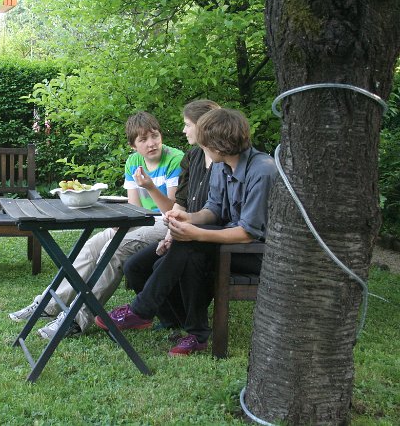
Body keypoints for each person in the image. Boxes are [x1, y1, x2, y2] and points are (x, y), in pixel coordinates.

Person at [96, 108, 277, 357]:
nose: (202, 149)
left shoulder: (262, 171)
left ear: (219, 145)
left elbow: (248, 233)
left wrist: (196, 234)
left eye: (205, 144)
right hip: (226, 239)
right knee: (144, 262)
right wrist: (188, 218)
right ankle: (192, 332)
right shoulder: (221, 165)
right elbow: (214, 209)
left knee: (188, 245)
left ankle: (142, 311)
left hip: (257, 253)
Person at [9, 111, 184, 339]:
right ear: (133, 146)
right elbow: (135, 209)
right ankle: (48, 305)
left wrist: (150, 187)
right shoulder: (134, 162)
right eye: (143, 139)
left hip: (168, 224)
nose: (151, 143)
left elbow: (171, 211)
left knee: (113, 250)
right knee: (91, 246)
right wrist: (122, 224)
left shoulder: (175, 159)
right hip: (144, 221)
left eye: (155, 136)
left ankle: (76, 318)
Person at [123, 99, 220, 329]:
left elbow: (217, 212)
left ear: (203, 125)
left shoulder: (221, 162)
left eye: (187, 124)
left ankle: (141, 311)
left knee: (156, 262)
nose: (183, 130)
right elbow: (182, 203)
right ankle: (173, 321)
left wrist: (178, 231)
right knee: (133, 267)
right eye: (143, 139)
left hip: (207, 236)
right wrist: (170, 234)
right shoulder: (193, 157)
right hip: (185, 229)